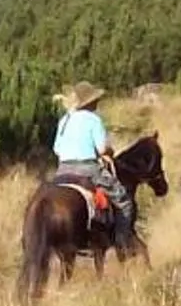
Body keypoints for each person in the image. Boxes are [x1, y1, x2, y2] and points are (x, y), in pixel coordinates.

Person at [51, 81, 134, 246]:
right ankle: (122, 242)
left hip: (63, 171)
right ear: (90, 102)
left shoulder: (65, 120)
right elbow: (102, 149)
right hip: (87, 168)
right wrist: (107, 152)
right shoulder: (94, 120)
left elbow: (57, 149)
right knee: (123, 200)